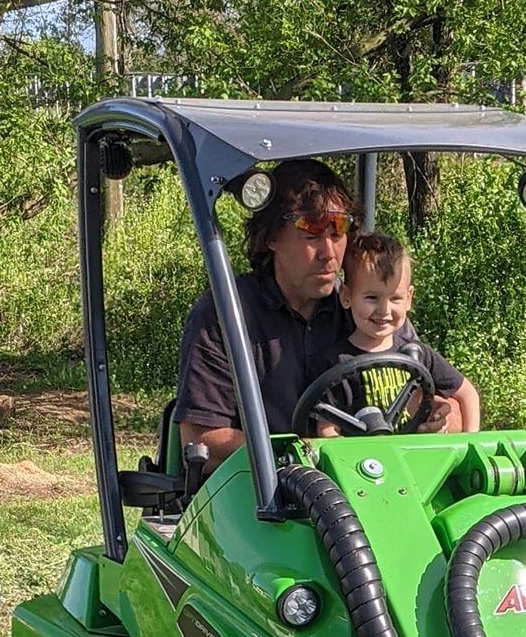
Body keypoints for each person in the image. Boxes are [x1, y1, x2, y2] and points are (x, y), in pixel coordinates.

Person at [175, 157, 358, 470]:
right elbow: (202, 440)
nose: (329, 253)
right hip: (255, 500)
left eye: (338, 231)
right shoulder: (226, 314)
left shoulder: (364, 308)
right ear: (272, 237)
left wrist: (437, 411)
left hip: (361, 489)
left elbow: (427, 383)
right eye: (312, 234)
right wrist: (303, 459)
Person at [324, 229, 480, 434]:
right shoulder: (336, 363)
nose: (384, 310)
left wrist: (469, 443)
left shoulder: (417, 354)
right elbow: (327, 430)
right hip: (363, 462)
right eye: (371, 298)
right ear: (346, 296)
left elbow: (467, 394)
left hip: (414, 458)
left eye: (395, 298)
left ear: (409, 298)